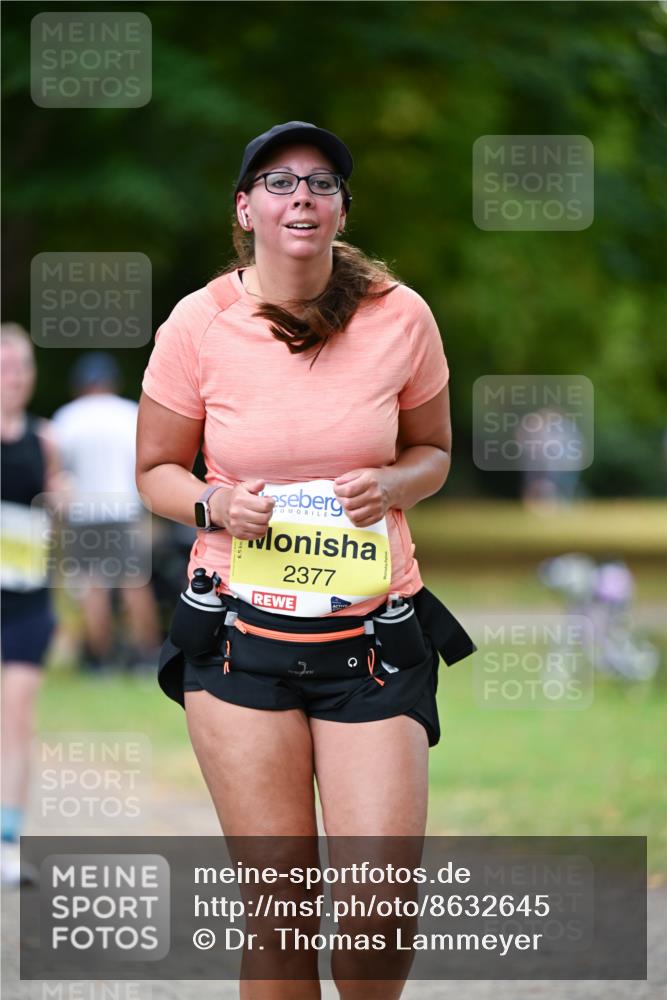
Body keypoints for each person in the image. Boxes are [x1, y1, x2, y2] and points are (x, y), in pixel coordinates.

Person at [137, 121, 475, 998]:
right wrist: (214, 503)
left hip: (371, 639)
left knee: (378, 909)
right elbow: (155, 473)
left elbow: (433, 452)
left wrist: (392, 484)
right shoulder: (198, 323)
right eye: (279, 182)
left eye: (321, 183)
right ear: (244, 210)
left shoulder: (399, 315)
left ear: (339, 211)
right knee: (280, 912)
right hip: (238, 639)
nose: (301, 196)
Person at [52, 352, 160, 673]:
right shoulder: (129, 414)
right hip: (123, 508)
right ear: (112, 382)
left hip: (85, 512)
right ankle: (146, 655)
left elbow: (59, 472)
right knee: (135, 584)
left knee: (92, 586)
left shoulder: (67, 418)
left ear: (81, 386)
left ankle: (101, 661)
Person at [1, 323, 60, 886]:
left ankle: (7, 837)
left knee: (16, 715)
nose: (10, 379)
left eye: (19, 368)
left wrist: (59, 501)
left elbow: (58, 496)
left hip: (27, 598)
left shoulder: (44, 438)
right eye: (2, 368)